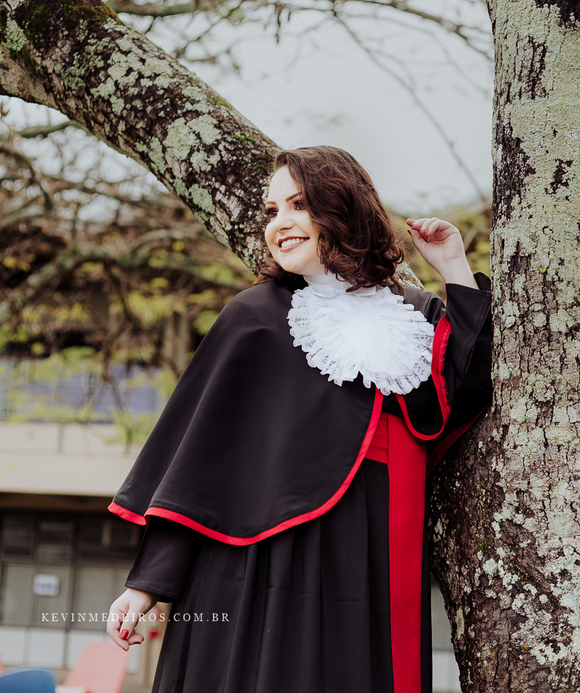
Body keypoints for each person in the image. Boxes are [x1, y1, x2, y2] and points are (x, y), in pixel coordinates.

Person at [104, 146, 492, 693]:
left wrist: (453, 266)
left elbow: (467, 389)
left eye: (298, 205)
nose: (279, 223)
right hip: (259, 563)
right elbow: (196, 467)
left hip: (374, 556)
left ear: (344, 207)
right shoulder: (254, 317)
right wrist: (145, 585)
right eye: (272, 211)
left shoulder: (413, 314)